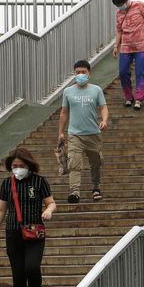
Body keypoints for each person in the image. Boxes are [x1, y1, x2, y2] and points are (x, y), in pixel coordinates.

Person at [0, 148, 57, 287]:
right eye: (14, 166)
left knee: (32, 267)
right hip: (13, 233)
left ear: (29, 165)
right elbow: (1, 209)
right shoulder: (7, 184)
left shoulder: (39, 182)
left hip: (34, 232)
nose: (18, 169)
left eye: (21, 165)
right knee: (18, 273)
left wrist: (48, 210)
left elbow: (51, 203)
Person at [58, 60, 109, 203]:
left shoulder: (96, 90)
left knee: (96, 162)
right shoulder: (68, 92)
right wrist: (61, 132)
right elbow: (64, 112)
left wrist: (104, 120)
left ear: (89, 74)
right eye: (78, 72)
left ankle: (96, 187)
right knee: (74, 163)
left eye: (83, 72)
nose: (81, 74)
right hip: (75, 134)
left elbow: (103, 107)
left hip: (93, 133)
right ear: (74, 74)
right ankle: (74, 192)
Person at [111, 0, 144, 110]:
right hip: (126, 46)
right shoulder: (119, 13)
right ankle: (128, 96)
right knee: (123, 72)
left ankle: (139, 99)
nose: (120, 7)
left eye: (120, 4)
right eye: (117, 6)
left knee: (140, 72)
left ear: (126, 1)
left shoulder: (140, 6)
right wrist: (116, 46)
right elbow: (119, 31)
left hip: (141, 46)